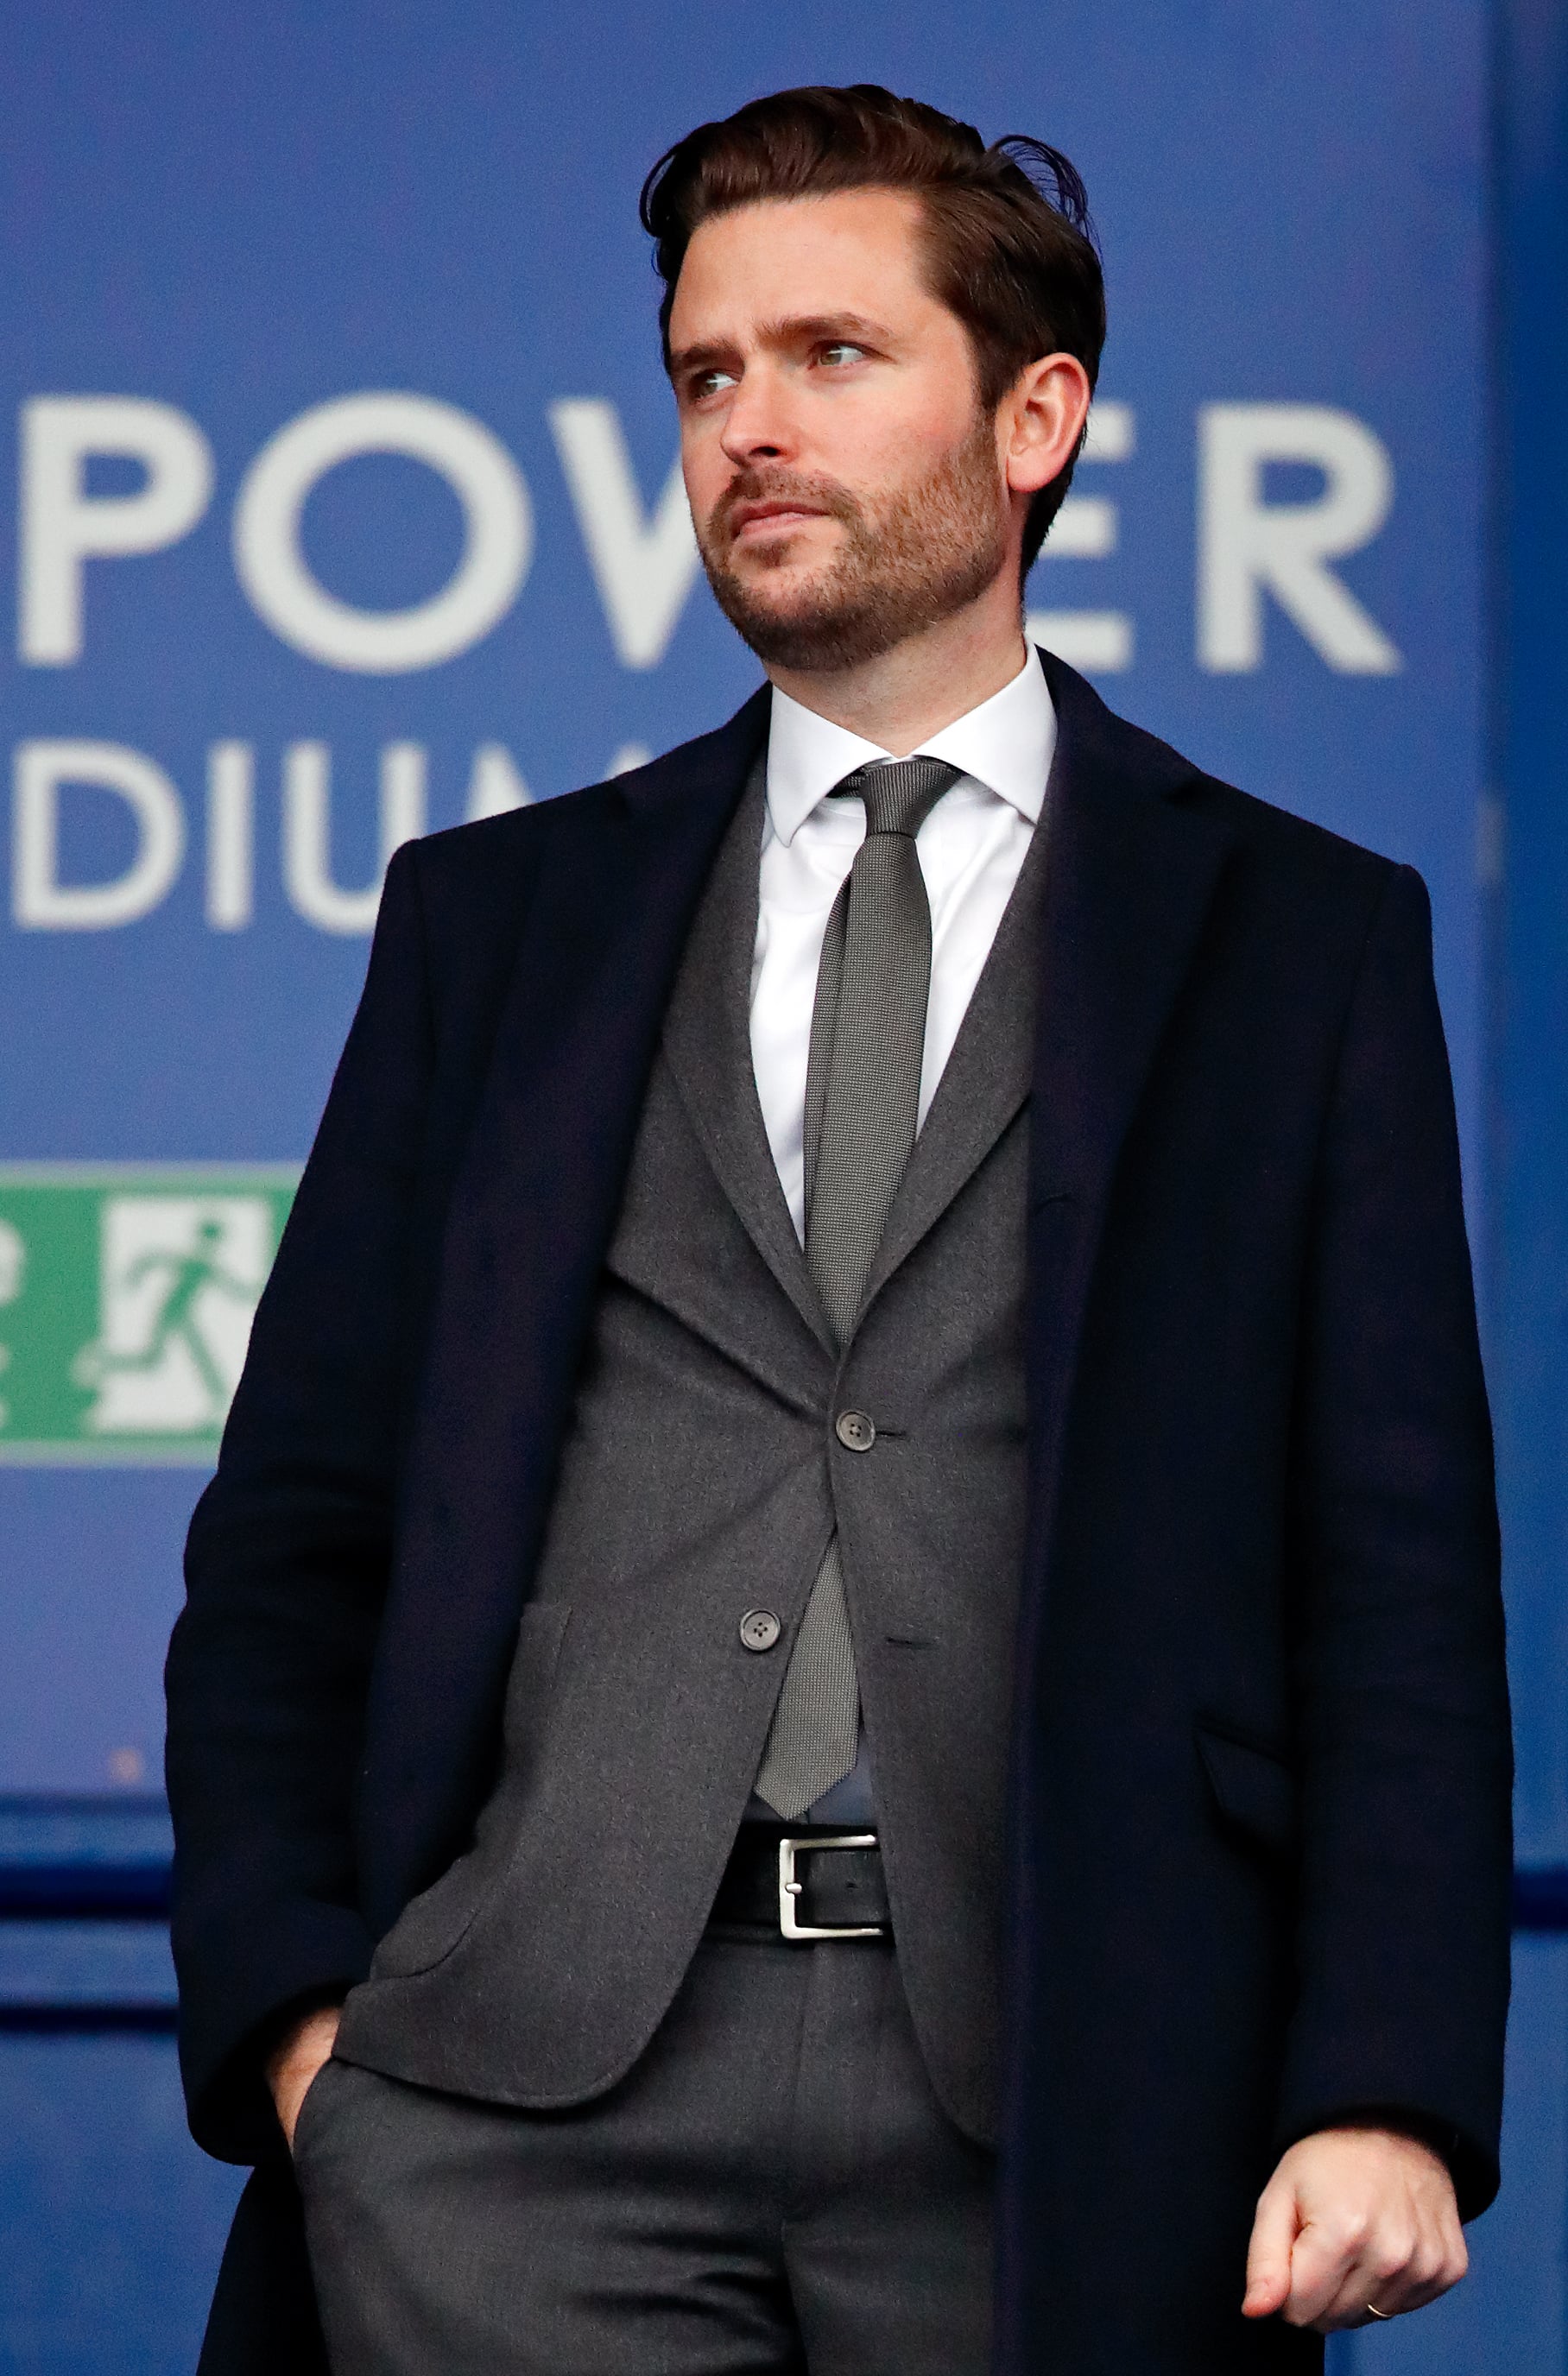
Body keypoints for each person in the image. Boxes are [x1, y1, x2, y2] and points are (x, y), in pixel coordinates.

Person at [166, 85, 1512, 2376]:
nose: (748, 427)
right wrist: (312, 2043)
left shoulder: (1295, 938)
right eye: (706, 376)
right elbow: (296, 1525)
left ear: (1035, 417)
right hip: (513, 2120)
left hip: (1061, 2113)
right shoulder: (499, 926)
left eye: (828, 357)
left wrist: (1386, 2090)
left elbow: (1390, 1572)